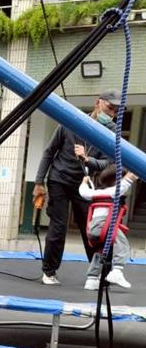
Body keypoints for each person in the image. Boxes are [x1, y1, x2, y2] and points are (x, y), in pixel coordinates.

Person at [33, 91, 120, 285]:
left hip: (84, 183)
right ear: (97, 103)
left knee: (92, 230)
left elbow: (109, 163)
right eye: (109, 108)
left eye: (116, 111)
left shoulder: (112, 131)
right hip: (59, 179)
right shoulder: (71, 122)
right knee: (58, 226)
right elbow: (49, 152)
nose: (112, 113)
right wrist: (38, 182)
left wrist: (88, 160)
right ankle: (49, 272)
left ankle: (102, 273)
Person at [79, 164, 137, 290]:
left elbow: (83, 192)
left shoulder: (95, 193)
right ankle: (117, 270)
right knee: (123, 243)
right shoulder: (114, 192)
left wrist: (84, 182)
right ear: (117, 180)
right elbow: (125, 183)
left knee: (100, 252)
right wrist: (133, 173)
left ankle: (92, 279)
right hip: (105, 226)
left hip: (92, 230)